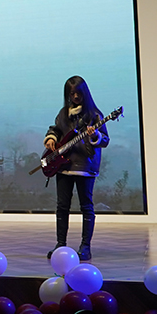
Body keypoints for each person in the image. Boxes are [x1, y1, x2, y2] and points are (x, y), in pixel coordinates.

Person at [45, 76, 109, 261]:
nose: (75, 97)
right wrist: (51, 138)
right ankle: (60, 244)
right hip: (63, 165)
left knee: (86, 206)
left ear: (84, 93)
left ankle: (85, 247)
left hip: (85, 166)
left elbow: (105, 140)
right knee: (62, 206)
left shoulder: (94, 114)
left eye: (78, 93)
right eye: (71, 93)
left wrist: (95, 135)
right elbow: (56, 129)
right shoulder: (63, 113)